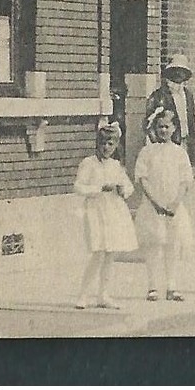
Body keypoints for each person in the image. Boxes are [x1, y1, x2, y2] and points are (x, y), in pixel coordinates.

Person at [73, 121, 137, 309]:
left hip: (114, 212)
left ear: (116, 146)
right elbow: (78, 186)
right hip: (96, 210)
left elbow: (129, 187)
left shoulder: (116, 165)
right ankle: (83, 294)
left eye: (110, 144)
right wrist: (100, 188)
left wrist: (123, 190)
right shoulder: (89, 163)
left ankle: (103, 294)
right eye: (103, 143)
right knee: (98, 252)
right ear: (97, 144)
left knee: (110, 253)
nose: (106, 147)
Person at [133, 107, 195, 302]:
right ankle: (152, 286)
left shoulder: (179, 153)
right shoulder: (147, 152)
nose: (163, 131)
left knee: (172, 244)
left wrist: (176, 202)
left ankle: (171, 285)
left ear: (174, 128)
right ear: (154, 129)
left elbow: (185, 180)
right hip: (153, 206)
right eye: (160, 127)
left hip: (173, 205)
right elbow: (142, 179)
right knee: (154, 245)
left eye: (167, 127)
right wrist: (156, 202)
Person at [144, 54, 195, 167]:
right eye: (175, 70)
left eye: (182, 71)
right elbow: (149, 123)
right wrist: (158, 144)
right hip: (168, 144)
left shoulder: (188, 95)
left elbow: (191, 121)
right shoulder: (159, 95)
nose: (179, 74)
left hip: (185, 142)